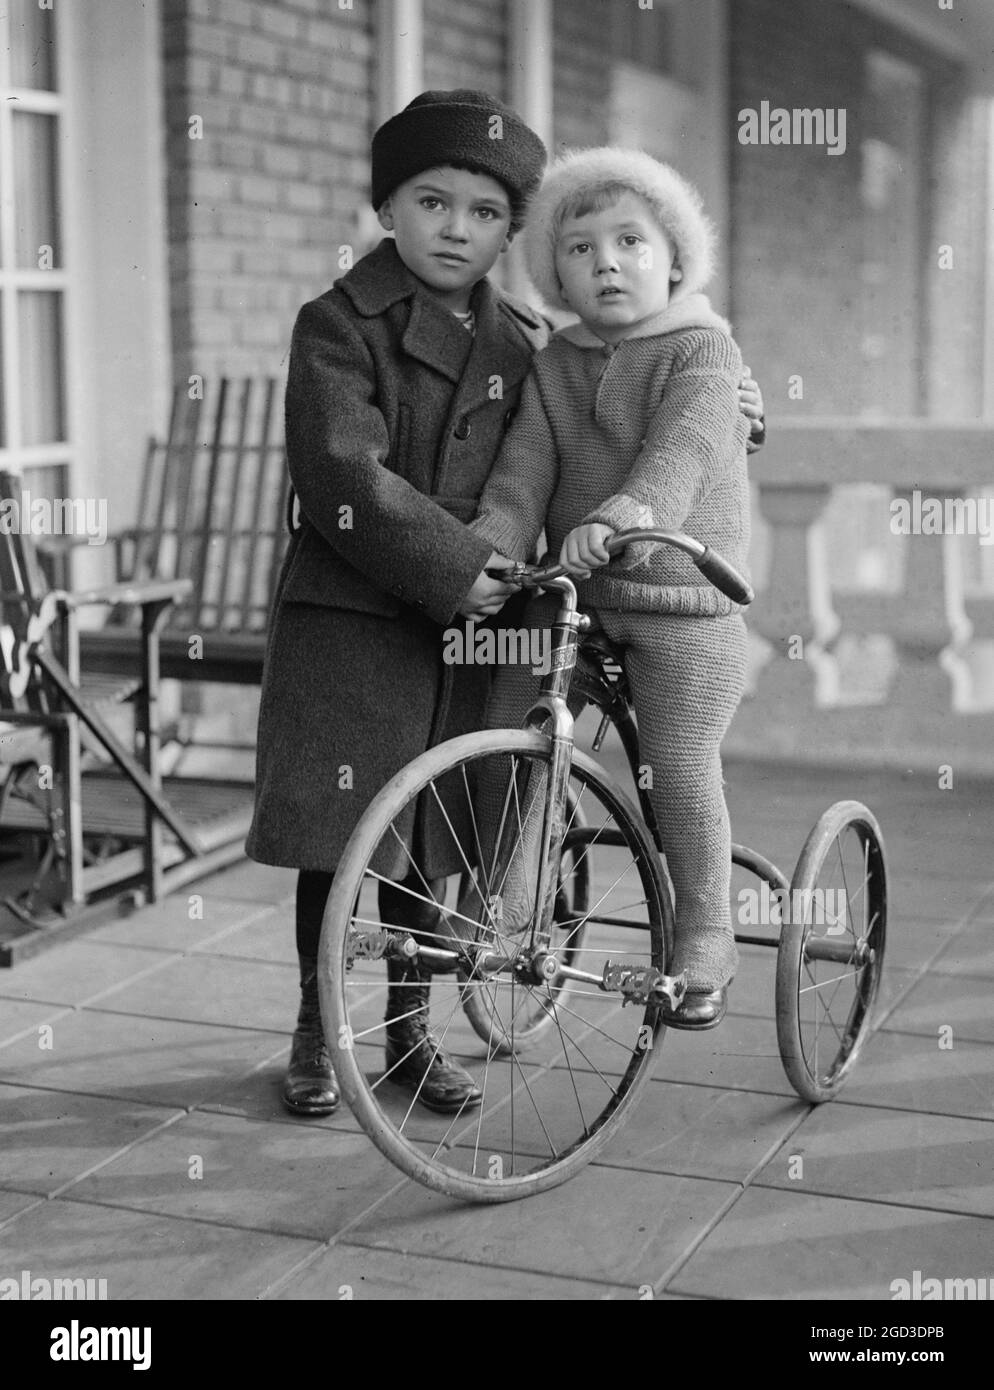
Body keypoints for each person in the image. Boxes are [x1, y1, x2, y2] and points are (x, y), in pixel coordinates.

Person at [247, 99, 765, 1120]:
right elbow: (339, 470)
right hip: (361, 609)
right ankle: (319, 1028)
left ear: (507, 235)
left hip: (481, 617)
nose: (455, 229)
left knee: (439, 828)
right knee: (346, 837)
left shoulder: (525, 335)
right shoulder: (338, 325)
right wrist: (461, 557)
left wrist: (747, 407)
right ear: (384, 206)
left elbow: (653, 400)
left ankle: (408, 1034)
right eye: (429, 202)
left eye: (485, 213)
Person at [468, 147, 754, 1030]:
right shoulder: (555, 365)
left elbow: (688, 446)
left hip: (685, 604)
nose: (607, 263)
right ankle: (510, 913)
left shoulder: (704, 349)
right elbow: (523, 470)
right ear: (556, 272)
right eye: (580, 248)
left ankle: (707, 930)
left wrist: (626, 514)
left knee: (675, 770)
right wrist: (487, 550)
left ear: (674, 258)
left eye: (631, 240)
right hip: (578, 605)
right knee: (522, 739)